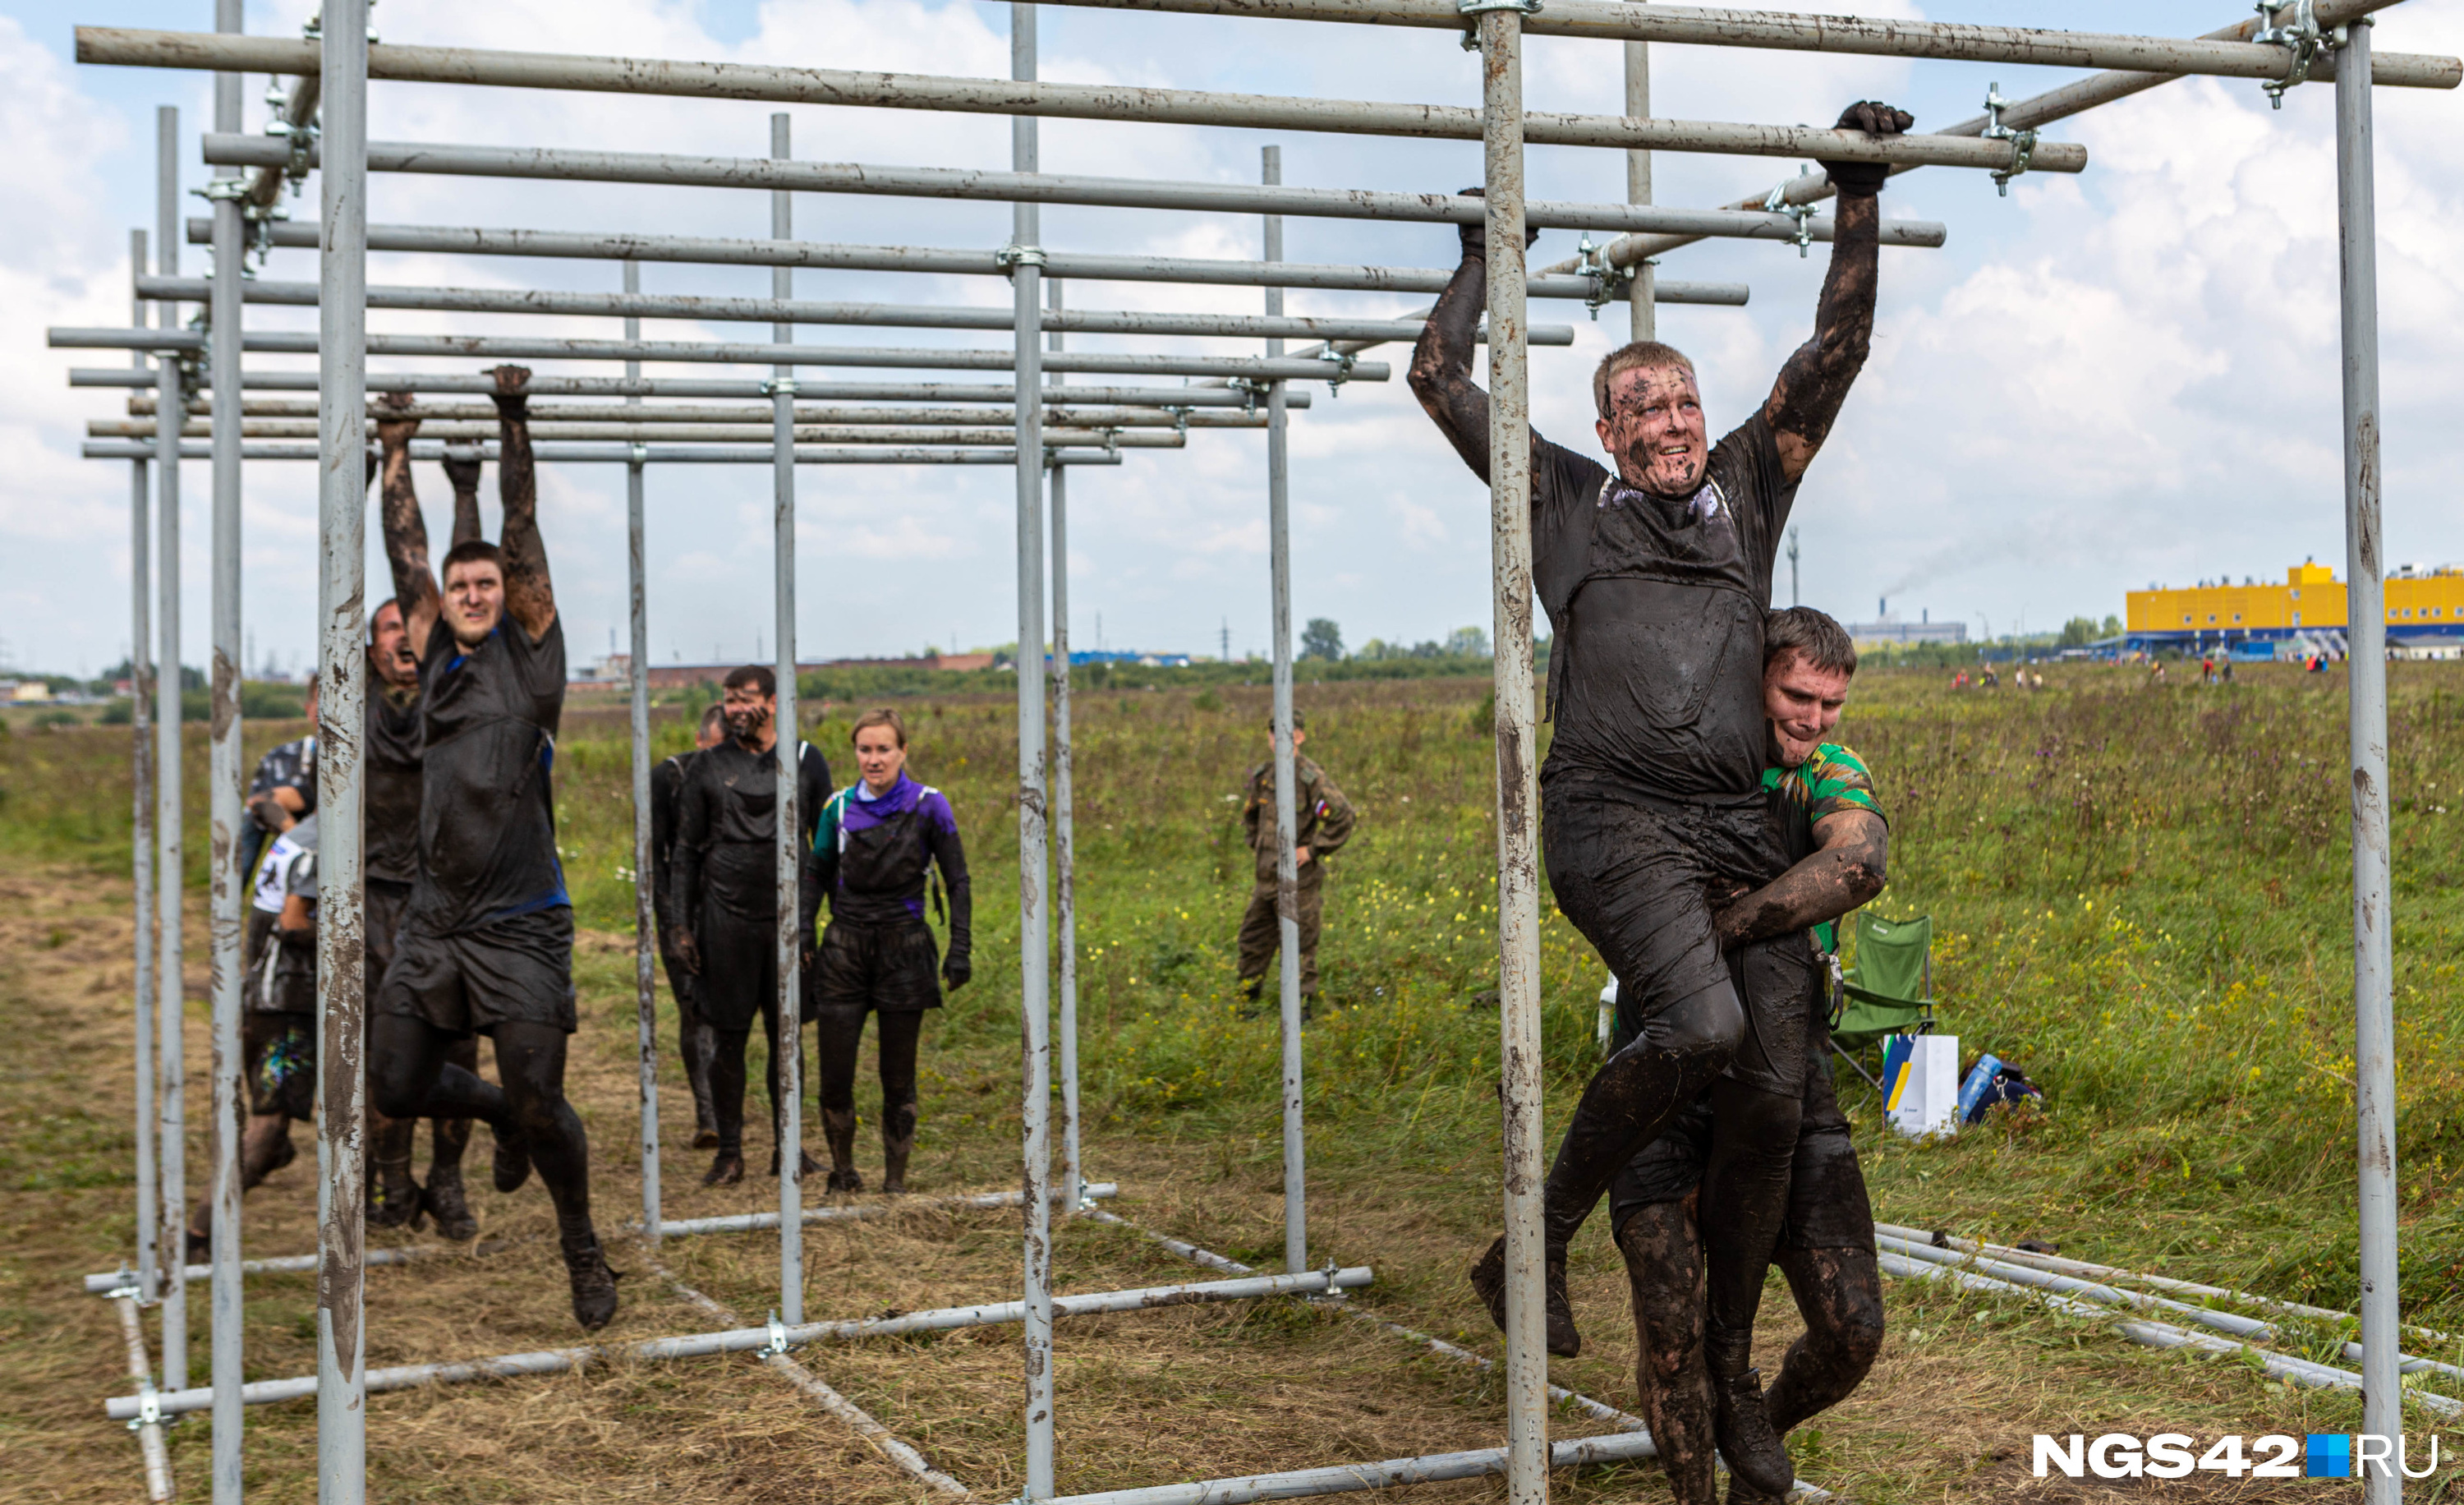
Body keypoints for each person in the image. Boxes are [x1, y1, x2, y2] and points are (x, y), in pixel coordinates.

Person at [1409, 99, 1911, 1495]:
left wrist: (1856, 188)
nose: (1673, 422)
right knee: (1694, 1018)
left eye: (1685, 400)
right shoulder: (1561, 501)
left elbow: (1837, 350)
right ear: (1602, 425)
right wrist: (1478, 261)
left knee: (1758, 1063)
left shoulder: (1751, 490)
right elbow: (1439, 378)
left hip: (1725, 828)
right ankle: (1539, 1229)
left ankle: (1716, 1366)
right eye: (1644, 405)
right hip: (1611, 817)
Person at [1611, 607, 1887, 1503]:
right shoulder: (1680, 760)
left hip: (1787, 1078)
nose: (1813, 718)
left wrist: (1725, 927)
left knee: (1853, 1331)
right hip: (1668, 1073)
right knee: (1673, 1336)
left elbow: (1860, 858)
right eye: (1796, 694)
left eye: (1831, 701)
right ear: (1752, 679)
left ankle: (1753, 1424)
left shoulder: (1829, 773)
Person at [369, 364, 620, 1331]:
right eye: (459, 583)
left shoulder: (533, 655)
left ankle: (581, 1246)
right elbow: (407, 552)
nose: (471, 590)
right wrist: (398, 449)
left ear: (509, 593)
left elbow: (520, 526)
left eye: (486, 582)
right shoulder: (432, 654)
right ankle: (497, 1114)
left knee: (545, 1096)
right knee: (394, 1082)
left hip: (520, 922)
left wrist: (512, 420)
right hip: (435, 921)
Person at [362, 398, 492, 1239]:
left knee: (461, 1047)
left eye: (409, 628)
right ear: (368, 646)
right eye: (387, 631)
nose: (403, 639)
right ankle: (390, 1180)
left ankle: (447, 1179)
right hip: (379, 897)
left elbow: (461, 576)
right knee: (389, 1051)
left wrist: (465, 485)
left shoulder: (457, 687)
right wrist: (385, 460)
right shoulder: (357, 702)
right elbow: (402, 567)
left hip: (454, 896)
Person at [668, 666, 832, 1185]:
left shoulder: (806, 761)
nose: (735, 709)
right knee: (729, 1041)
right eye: (728, 701)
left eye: (745, 699)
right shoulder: (708, 767)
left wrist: (809, 921)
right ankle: (730, 1153)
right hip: (725, 922)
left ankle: (790, 1148)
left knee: (788, 1041)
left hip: (786, 928)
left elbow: (823, 849)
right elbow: (685, 854)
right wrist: (681, 926)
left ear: (775, 701)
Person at [805, 707, 971, 1194]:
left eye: (883, 750)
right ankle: (843, 1172)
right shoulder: (836, 808)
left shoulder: (930, 805)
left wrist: (960, 947)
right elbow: (815, 874)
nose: (873, 760)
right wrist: (803, 936)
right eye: (864, 749)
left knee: (897, 1079)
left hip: (906, 948)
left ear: (903, 752)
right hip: (844, 949)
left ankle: (894, 1183)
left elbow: (958, 880)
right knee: (835, 1076)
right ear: (855, 751)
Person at [186, 807, 321, 1259]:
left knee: (272, 1127)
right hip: (285, 1006)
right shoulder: (324, 843)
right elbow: (293, 922)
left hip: (264, 998)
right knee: (267, 1128)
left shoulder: (302, 832)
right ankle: (197, 1237)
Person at [1234, 711, 1356, 1012]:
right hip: (1265, 879)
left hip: (1297, 882)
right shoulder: (1264, 776)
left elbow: (1342, 815)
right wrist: (1258, 847)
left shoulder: (1309, 778)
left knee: (1301, 944)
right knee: (1252, 939)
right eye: (1274, 733)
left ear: (1300, 736)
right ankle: (1248, 1004)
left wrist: (1312, 850)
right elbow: (1250, 816)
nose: (1279, 739)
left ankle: (1304, 1007)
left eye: (1287, 733)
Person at [652, 702, 731, 1148]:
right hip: (680, 909)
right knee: (693, 1009)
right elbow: (656, 857)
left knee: (726, 1012)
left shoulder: (745, 773)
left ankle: (726, 1106)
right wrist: (674, 922)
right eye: (717, 749)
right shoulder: (669, 778)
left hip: (728, 909)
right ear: (700, 741)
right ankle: (708, 1115)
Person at [239, 674, 317, 889]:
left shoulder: (381, 758)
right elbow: (251, 829)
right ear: (309, 709)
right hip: (295, 880)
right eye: (323, 701)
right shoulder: (284, 758)